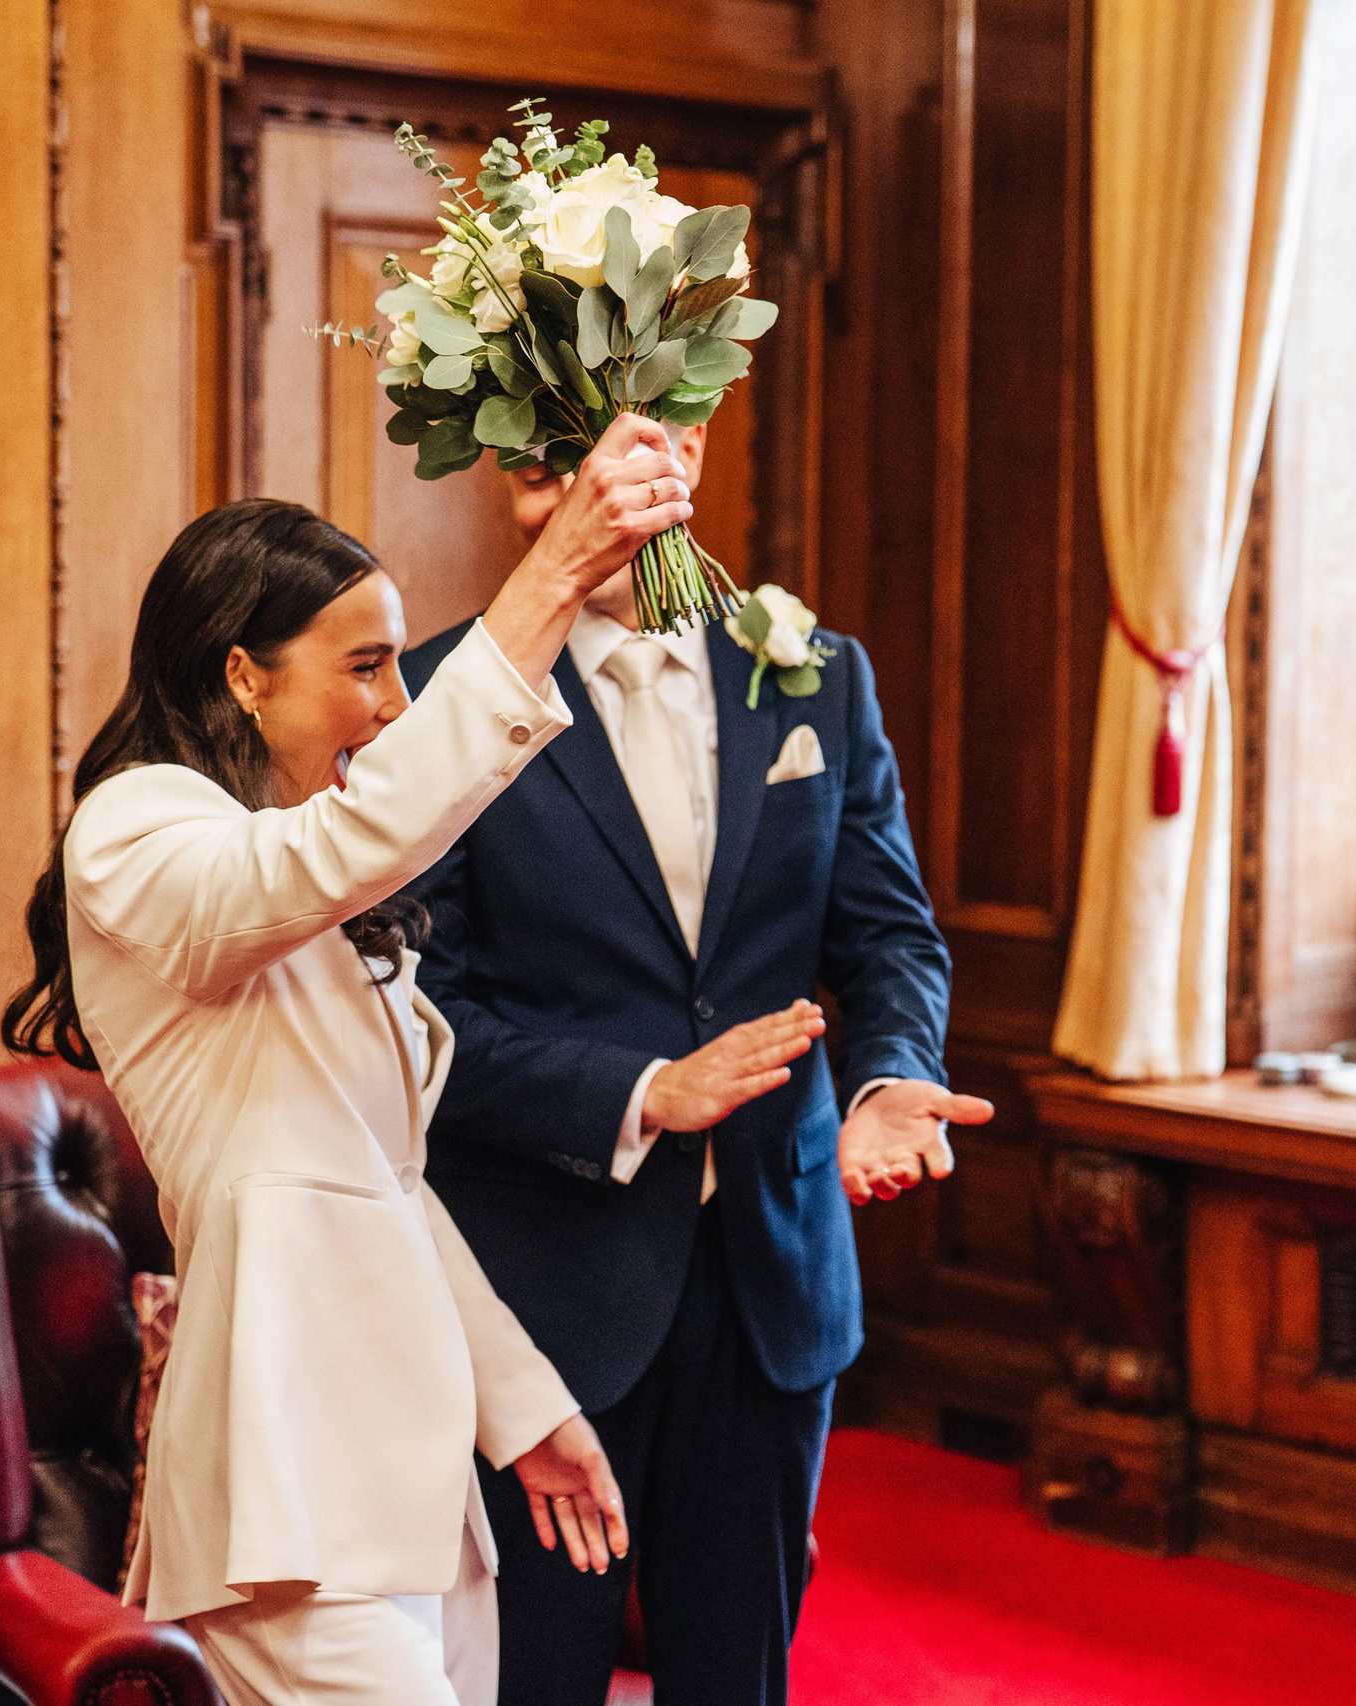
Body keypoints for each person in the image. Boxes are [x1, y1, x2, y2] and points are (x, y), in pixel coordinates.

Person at [0, 414, 692, 1706]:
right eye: (364, 666)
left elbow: (386, 1182)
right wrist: (547, 584)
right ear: (244, 674)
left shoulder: (298, 867)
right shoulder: (138, 825)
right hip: (290, 1473)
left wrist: (524, 1407)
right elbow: (344, 849)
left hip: (411, 1477)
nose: (392, 702)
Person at [398, 418, 985, 1705]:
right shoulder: (441, 700)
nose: (572, 497)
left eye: (598, 456)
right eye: (541, 467)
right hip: (549, 1300)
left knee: (739, 1678)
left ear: (690, 449)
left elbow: (887, 934)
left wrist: (888, 1079)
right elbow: (417, 1026)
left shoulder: (816, 674)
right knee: (534, 1679)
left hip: (770, 1273)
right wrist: (638, 1092)